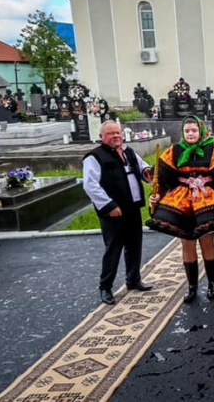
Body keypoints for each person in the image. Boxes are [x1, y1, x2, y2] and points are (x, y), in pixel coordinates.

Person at [146, 116, 214, 302]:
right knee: (187, 243)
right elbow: (161, 176)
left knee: (207, 242)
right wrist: (158, 194)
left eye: (194, 130)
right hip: (181, 201)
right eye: (187, 131)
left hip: (205, 201)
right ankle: (192, 286)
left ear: (201, 131)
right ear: (183, 133)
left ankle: (212, 284)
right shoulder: (175, 151)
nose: (191, 134)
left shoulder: (213, 148)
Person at [82, 120, 154, 305]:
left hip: (132, 207)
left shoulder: (128, 152)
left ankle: (133, 279)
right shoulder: (94, 157)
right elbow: (90, 185)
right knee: (113, 250)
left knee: (134, 246)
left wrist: (147, 172)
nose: (115, 136)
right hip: (113, 211)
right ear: (101, 137)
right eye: (111, 133)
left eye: (118, 133)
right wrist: (109, 206)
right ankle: (105, 287)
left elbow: (141, 167)